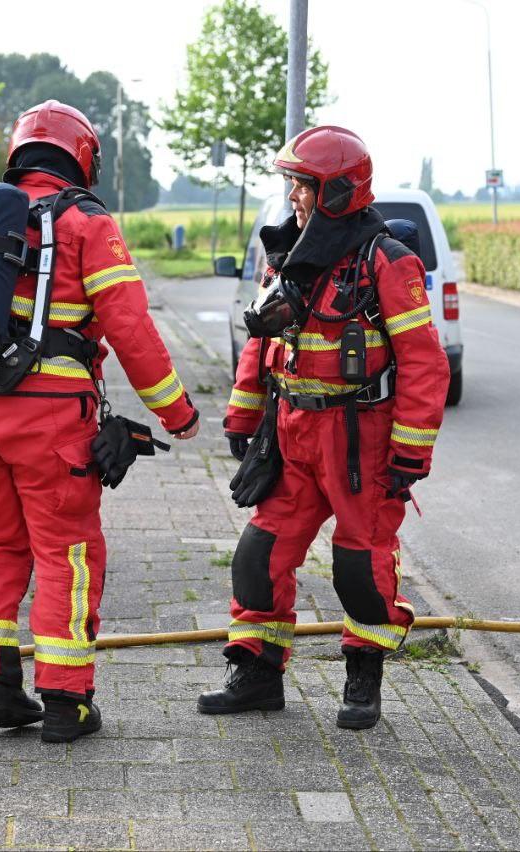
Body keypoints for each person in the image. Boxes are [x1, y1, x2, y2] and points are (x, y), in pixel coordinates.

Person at [0, 100, 200, 743]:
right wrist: (176, 413)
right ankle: (66, 700)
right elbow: (129, 327)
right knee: (65, 551)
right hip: (50, 423)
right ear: (82, 158)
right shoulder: (87, 224)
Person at [198, 126, 450, 729]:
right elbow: (261, 347)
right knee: (258, 558)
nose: (292, 197)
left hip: (360, 442)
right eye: (290, 183)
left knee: (359, 568)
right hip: (292, 438)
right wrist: (242, 413)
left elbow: (423, 360)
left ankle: (364, 681)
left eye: (302, 185)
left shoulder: (387, 260)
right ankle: (258, 676)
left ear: (337, 191)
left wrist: (411, 450)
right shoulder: (284, 256)